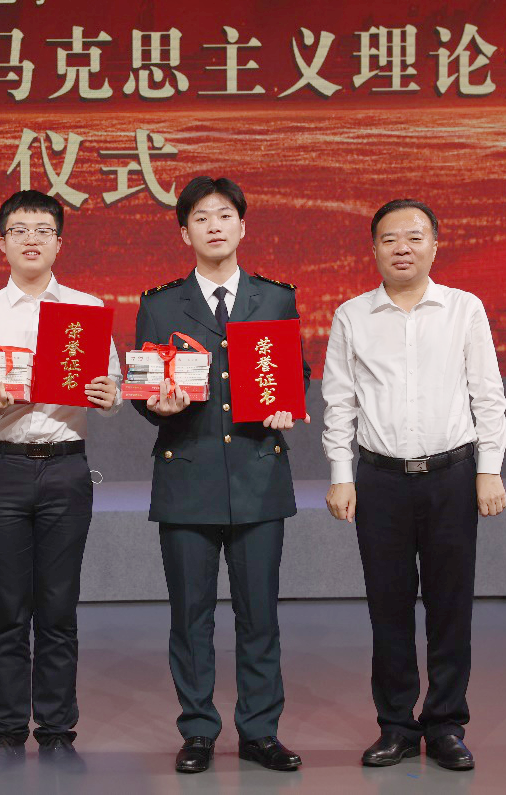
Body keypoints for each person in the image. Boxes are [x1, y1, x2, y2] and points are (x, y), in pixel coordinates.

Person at [321, 198, 506, 771]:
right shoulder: (352, 315)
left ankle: (446, 724)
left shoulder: (464, 309)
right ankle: (397, 726)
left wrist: (489, 469)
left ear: (434, 245)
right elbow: (339, 403)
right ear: (374, 249)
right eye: (389, 239)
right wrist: (341, 475)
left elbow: (487, 394)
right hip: (380, 480)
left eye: (414, 237)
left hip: (453, 476)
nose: (402, 248)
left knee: (451, 605)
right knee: (389, 608)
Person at [132, 176, 310, 774]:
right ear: (184, 232)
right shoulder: (159, 304)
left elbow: (292, 373)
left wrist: (288, 404)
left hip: (258, 475)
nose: (214, 225)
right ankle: (199, 730)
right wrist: (155, 406)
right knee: (191, 617)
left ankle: (260, 731)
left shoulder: (275, 298)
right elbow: (145, 386)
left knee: (261, 615)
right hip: (187, 477)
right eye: (201, 217)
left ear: (242, 226)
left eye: (224, 215)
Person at [0, 189, 121, 772]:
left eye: (43, 230)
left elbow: (111, 386)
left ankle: (55, 726)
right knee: (6, 605)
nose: (31, 239)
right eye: (19, 230)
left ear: (58, 242)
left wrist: (110, 396)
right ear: (1, 243)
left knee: (58, 605)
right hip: (1, 466)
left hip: (67, 466)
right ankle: (4, 728)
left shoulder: (85, 310)